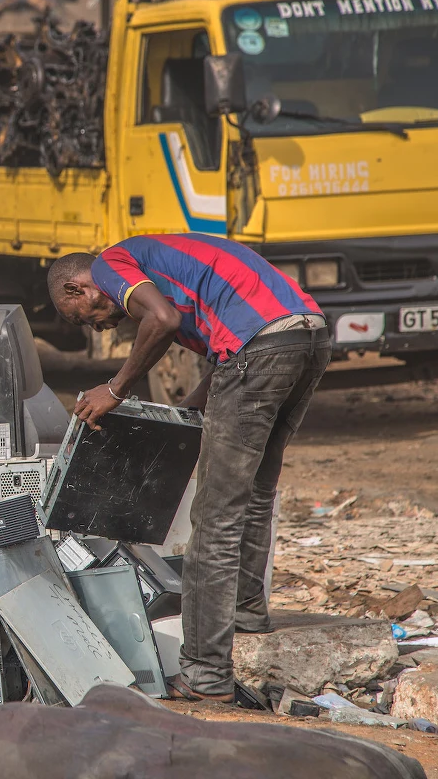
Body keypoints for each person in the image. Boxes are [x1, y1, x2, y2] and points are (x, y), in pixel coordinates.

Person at [46, 233, 330, 702]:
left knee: (215, 517)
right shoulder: (162, 267)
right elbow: (228, 358)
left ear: (80, 287)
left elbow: (163, 320)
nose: (100, 327)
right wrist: (186, 411)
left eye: (89, 317)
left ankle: (205, 675)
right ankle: (244, 613)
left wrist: (114, 390)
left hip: (261, 346)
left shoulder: (108, 265)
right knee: (256, 491)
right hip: (307, 335)